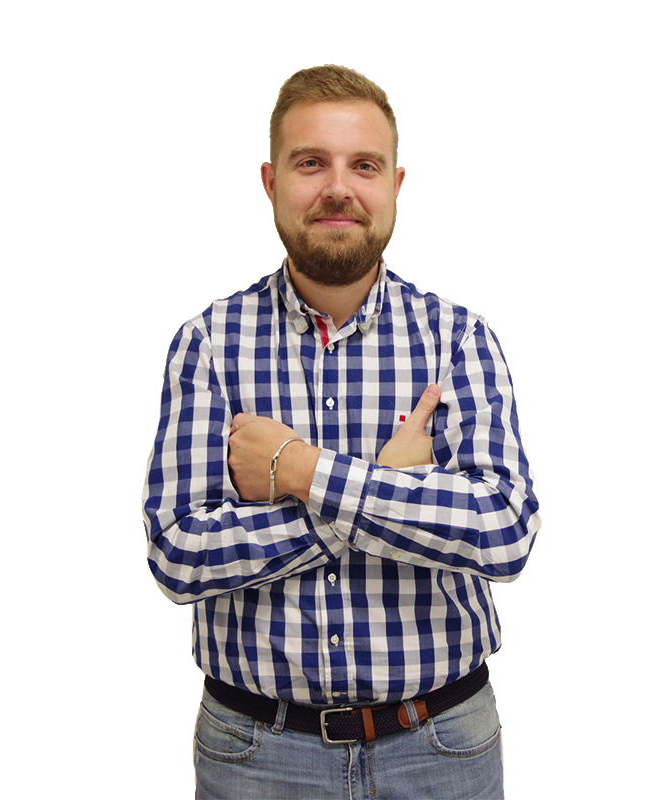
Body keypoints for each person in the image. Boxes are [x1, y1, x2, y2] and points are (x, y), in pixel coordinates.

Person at [142, 64, 540, 800]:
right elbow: (178, 553)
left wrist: (301, 471)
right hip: (255, 755)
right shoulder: (209, 344)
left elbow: (504, 532)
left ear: (395, 185)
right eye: (310, 163)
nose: (338, 188)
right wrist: (386, 488)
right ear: (271, 182)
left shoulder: (458, 341)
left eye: (364, 165)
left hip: (441, 748)